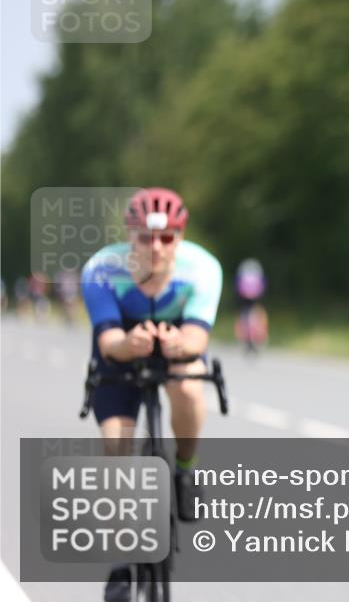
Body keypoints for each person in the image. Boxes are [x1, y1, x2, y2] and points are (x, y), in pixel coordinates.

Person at [80, 187, 222, 602]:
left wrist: (180, 346)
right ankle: (121, 562)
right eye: (145, 237)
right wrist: (130, 344)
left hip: (178, 344)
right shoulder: (102, 269)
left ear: (180, 237)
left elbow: (197, 337)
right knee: (116, 443)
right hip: (121, 348)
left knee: (190, 388)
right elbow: (108, 343)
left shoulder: (202, 268)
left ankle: (184, 468)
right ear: (130, 234)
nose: (156, 247)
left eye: (166, 238)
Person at [234, 258, 268, 352]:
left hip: (245, 298)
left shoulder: (243, 271)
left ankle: (250, 336)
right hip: (253, 298)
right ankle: (255, 335)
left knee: (246, 315)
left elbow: (237, 285)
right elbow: (263, 286)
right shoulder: (257, 271)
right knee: (255, 314)